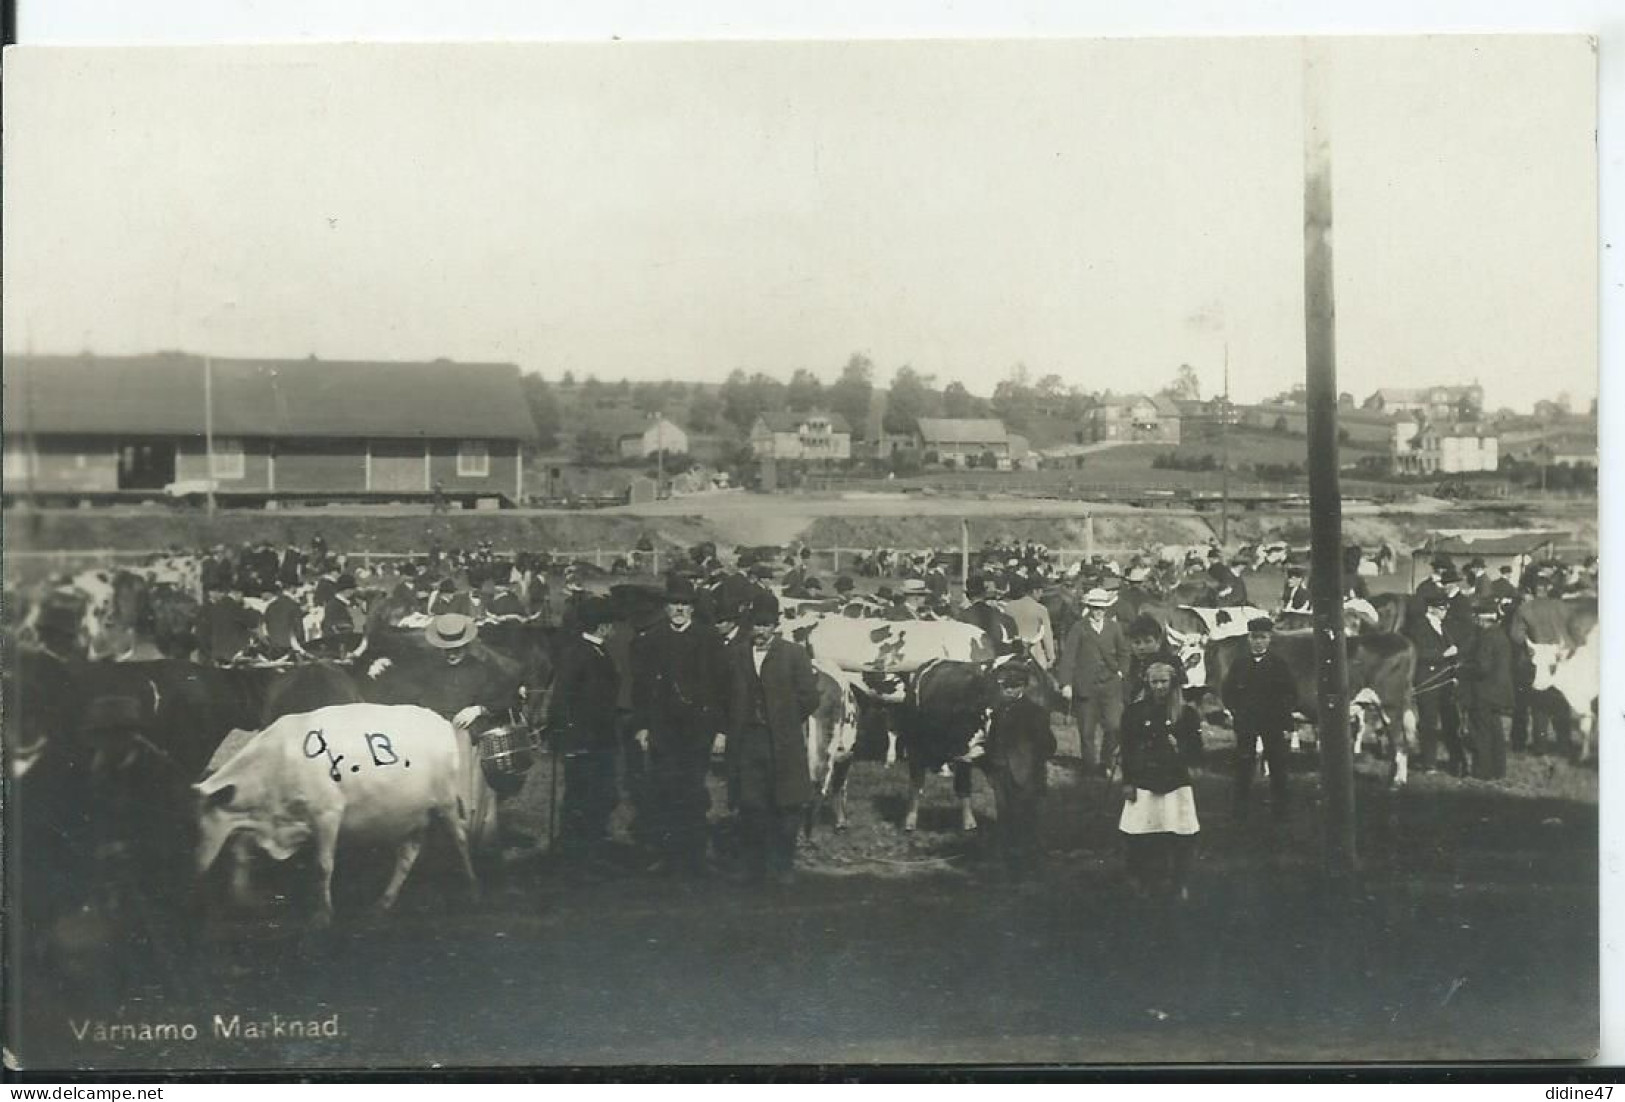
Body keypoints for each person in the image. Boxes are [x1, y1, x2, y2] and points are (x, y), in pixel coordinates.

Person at [630, 575, 729, 877]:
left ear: (693, 608)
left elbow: (722, 686)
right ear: (666, 606)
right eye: (674, 604)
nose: (679, 609)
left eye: (685, 604)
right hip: (663, 730)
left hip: (698, 730)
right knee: (663, 790)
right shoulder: (652, 639)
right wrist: (643, 726)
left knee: (693, 791)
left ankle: (694, 856)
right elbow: (642, 688)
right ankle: (667, 855)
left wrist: (721, 731)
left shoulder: (709, 638)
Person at [723, 593, 821, 886]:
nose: (761, 632)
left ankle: (782, 865)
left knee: (787, 803)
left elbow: (810, 697)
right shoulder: (736, 654)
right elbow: (724, 695)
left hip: (783, 742)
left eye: (767, 625)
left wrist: (786, 720)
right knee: (751, 803)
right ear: (749, 626)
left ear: (776, 626)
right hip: (748, 740)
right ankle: (752, 866)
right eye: (756, 625)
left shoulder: (794, 654)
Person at [545, 595, 622, 865]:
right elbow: (561, 700)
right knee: (582, 797)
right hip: (583, 741)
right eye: (610, 624)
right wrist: (565, 737)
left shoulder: (598, 651)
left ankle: (589, 849)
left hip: (599, 740)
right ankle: (576, 855)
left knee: (598, 796)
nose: (613, 629)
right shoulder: (578, 653)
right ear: (601, 627)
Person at [1118, 661, 1203, 900]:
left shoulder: (1186, 713)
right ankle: (1144, 880)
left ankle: (1179, 882)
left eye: (1163, 682)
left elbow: (1197, 752)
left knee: (1181, 835)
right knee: (1140, 835)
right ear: (1147, 683)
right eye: (1154, 682)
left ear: (1172, 683)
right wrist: (1128, 782)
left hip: (1175, 783)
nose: (1159, 687)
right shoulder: (1134, 713)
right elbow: (1128, 749)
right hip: (1144, 781)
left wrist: (1181, 747)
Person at [1220, 616, 1297, 821]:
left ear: (1269, 639)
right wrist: (1237, 711)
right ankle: (1241, 808)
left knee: (1277, 763)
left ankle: (1281, 809)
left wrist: (1283, 717)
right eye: (1254, 637)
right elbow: (1227, 691)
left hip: (1272, 722)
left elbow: (1290, 693)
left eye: (1262, 637)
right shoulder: (1240, 664)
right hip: (1247, 721)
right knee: (1244, 762)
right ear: (1249, 639)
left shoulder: (1278, 664)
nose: (1258, 642)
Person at [984, 663, 1057, 877]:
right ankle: (1010, 865)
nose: (1006, 691)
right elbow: (993, 740)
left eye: (1011, 687)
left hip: (1026, 775)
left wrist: (1031, 765)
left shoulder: (1035, 713)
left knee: (1026, 818)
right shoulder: (998, 712)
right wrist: (991, 766)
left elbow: (1048, 745)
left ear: (1022, 688)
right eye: (1004, 687)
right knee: (1005, 817)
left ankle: (1029, 865)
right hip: (1001, 772)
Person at [1058, 587, 1128, 777]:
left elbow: (1124, 652)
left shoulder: (1114, 627)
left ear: (1107, 609)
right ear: (1088, 607)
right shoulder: (1079, 628)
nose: (1098, 611)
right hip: (1086, 687)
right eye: (1095, 607)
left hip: (1110, 685)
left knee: (1114, 727)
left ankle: (1106, 762)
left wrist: (1121, 672)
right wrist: (1066, 683)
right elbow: (1069, 657)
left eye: (1102, 608)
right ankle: (1089, 767)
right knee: (1087, 731)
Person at [1408, 590, 1465, 775]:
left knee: (1451, 722)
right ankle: (1429, 762)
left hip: (1446, 681)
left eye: (1446, 608)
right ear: (1431, 609)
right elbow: (1419, 654)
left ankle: (1455, 760)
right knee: (1428, 722)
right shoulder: (1418, 627)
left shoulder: (1442, 625)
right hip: (1428, 680)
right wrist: (1443, 655)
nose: (1445, 612)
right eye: (1442, 608)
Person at [1459, 597, 1512, 780]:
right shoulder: (1500, 634)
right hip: (1498, 692)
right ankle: (1498, 770)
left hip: (1483, 692)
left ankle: (1482, 772)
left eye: (1477, 617)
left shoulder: (1487, 637)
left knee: (1481, 731)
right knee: (1495, 731)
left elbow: (1482, 667)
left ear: (1483, 618)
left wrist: (1462, 668)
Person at [1124, 614, 1184, 701]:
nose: (1142, 647)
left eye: (1148, 641)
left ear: (1158, 641)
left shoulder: (1172, 662)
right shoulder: (1132, 664)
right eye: (1137, 642)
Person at [1003, 575, 1057, 669]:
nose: (1042, 594)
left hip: (1013, 652)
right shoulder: (1041, 609)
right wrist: (1051, 657)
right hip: (1034, 653)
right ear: (1034, 591)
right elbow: (1047, 635)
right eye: (1041, 591)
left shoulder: (1009, 607)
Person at [959, 575, 1020, 655]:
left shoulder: (961, 617)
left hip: (971, 660)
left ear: (968, 597)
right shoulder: (999, 614)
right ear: (984, 594)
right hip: (995, 658)